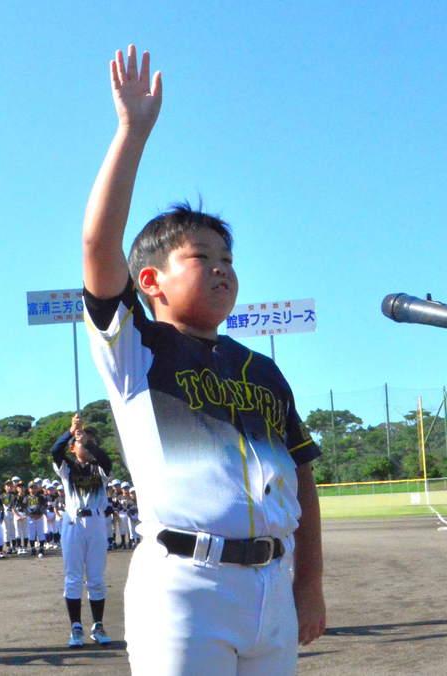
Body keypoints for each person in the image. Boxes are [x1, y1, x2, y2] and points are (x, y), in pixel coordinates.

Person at [78, 45, 326, 675]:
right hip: (186, 585)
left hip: (272, 585)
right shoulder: (135, 350)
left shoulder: (263, 371)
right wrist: (132, 132)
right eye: (201, 257)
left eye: (228, 257)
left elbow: (303, 480)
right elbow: (98, 246)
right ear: (151, 281)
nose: (222, 267)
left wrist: (309, 583)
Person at [52, 414, 113, 648]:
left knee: (96, 577)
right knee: (74, 577)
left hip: (97, 522)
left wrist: (86, 440)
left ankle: (98, 625)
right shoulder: (67, 468)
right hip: (73, 523)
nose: (87, 446)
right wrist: (70, 432)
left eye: (91, 443)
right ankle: (75, 627)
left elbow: (106, 460)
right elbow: (55, 452)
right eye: (82, 443)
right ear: (73, 446)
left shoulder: (101, 470)